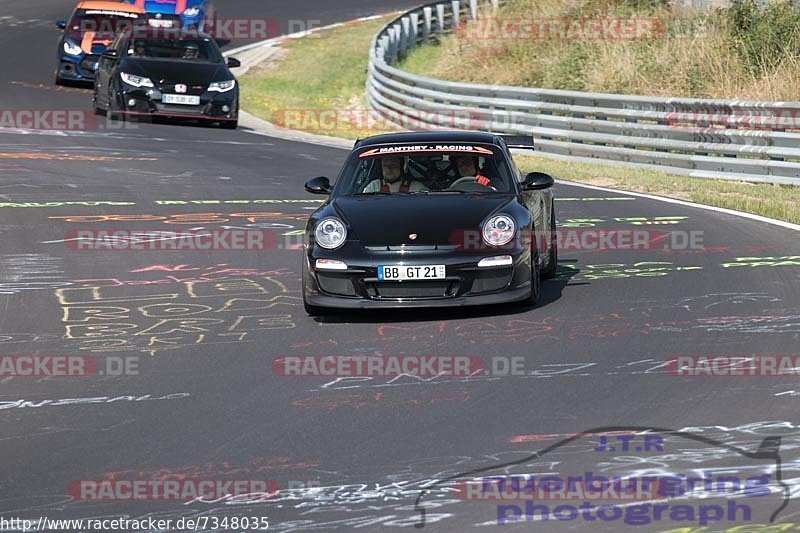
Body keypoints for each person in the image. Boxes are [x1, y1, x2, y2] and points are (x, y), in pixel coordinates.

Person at [363, 157, 428, 193]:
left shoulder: (417, 188)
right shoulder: (374, 186)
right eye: (385, 165)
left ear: (402, 167)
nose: (388, 169)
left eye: (393, 165)